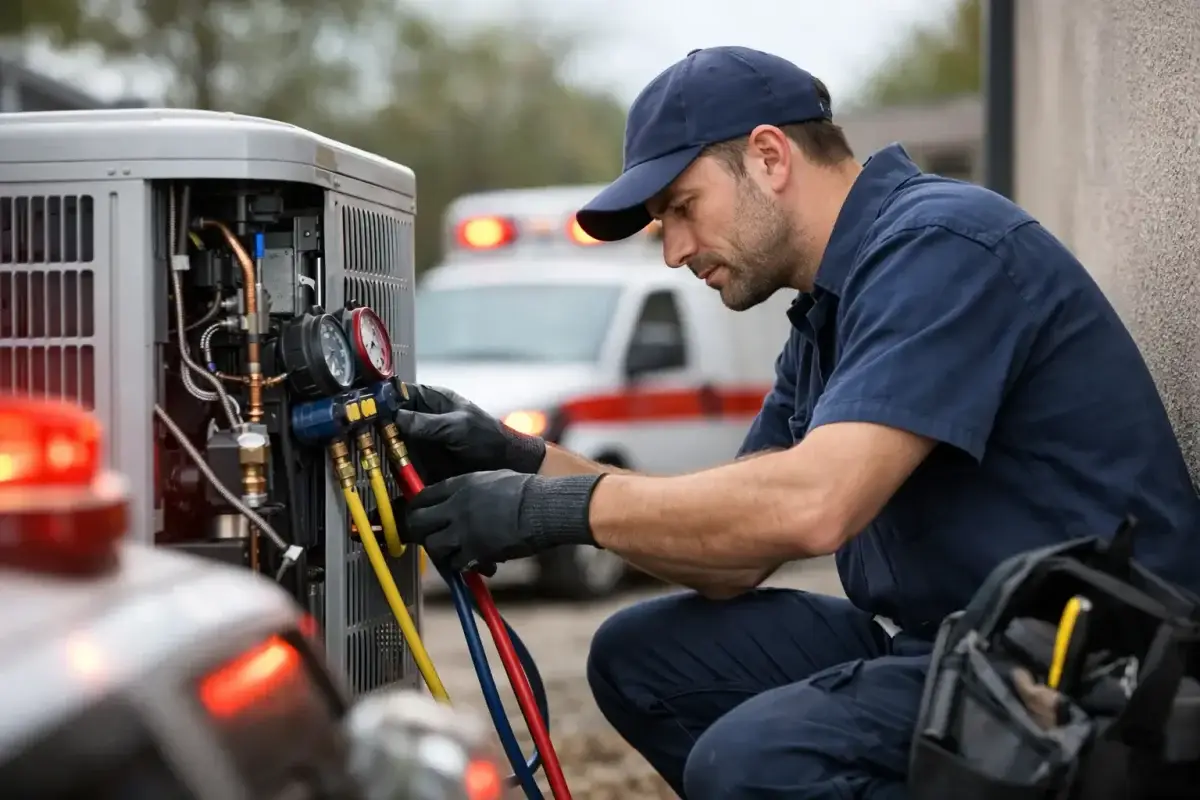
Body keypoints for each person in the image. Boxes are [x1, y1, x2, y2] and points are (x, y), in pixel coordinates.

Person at [394, 46, 1200, 799]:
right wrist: (522, 458)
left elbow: (815, 505)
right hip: (954, 642)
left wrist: (547, 512)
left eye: (681, 207)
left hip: (1095, 671)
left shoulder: (943, 246)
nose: (672, 249)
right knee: (641, 658)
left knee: (756, 758)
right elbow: (732, 554)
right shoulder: (829, 312)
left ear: (771, 157)